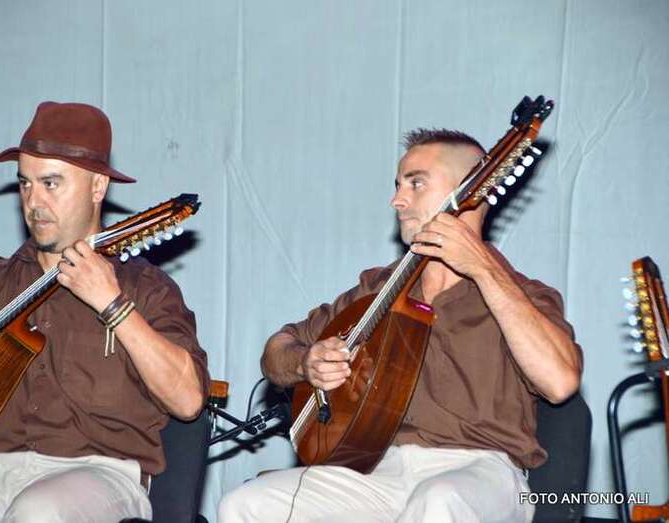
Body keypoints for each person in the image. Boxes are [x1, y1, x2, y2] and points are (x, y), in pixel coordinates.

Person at [219, 129, 583, 523]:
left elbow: (560, 382)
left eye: (416, 183)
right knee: (244, 504)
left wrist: (483, 267)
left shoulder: (522, 294)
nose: (397, 200)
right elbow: (278, 348)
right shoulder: (377, 287)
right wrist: (305, 362)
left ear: (472, 191)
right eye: (398, 185)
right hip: (376, 469)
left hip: (481, 471)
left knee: (438, 501)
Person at [0, 101, 209, 522]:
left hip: (97, 474)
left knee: (37, 513)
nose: (34, 201)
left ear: (97, 187)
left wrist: (113, 305)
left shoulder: (144, 288)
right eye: (25, 184)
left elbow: (188, 400)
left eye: (51, 184)